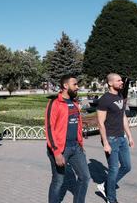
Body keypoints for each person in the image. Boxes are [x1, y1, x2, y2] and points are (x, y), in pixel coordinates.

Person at [45, 74, 90, 203]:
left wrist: (80, 144)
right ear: (65, 86)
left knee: (85, 177)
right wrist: (56, 152)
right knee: (58, 181)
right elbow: (49, 128)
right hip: (60, 149)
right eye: (74, 84)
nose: (77, 87)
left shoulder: (75, 103)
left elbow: (77, 125)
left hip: (76, 147)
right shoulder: (54, 103)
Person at [96, 73, 134, 203]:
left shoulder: (120, 95)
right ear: (110, 83)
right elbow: (100, 123)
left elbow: (122, 116)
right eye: (118, 81)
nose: (121, 82)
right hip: (111, 139)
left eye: (121, 80)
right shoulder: (104, 99)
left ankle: (105, 185)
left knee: (127, 166)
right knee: (113, 169)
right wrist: (105, 143)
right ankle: (111, 199)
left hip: (121, 137)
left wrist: (129, 135)